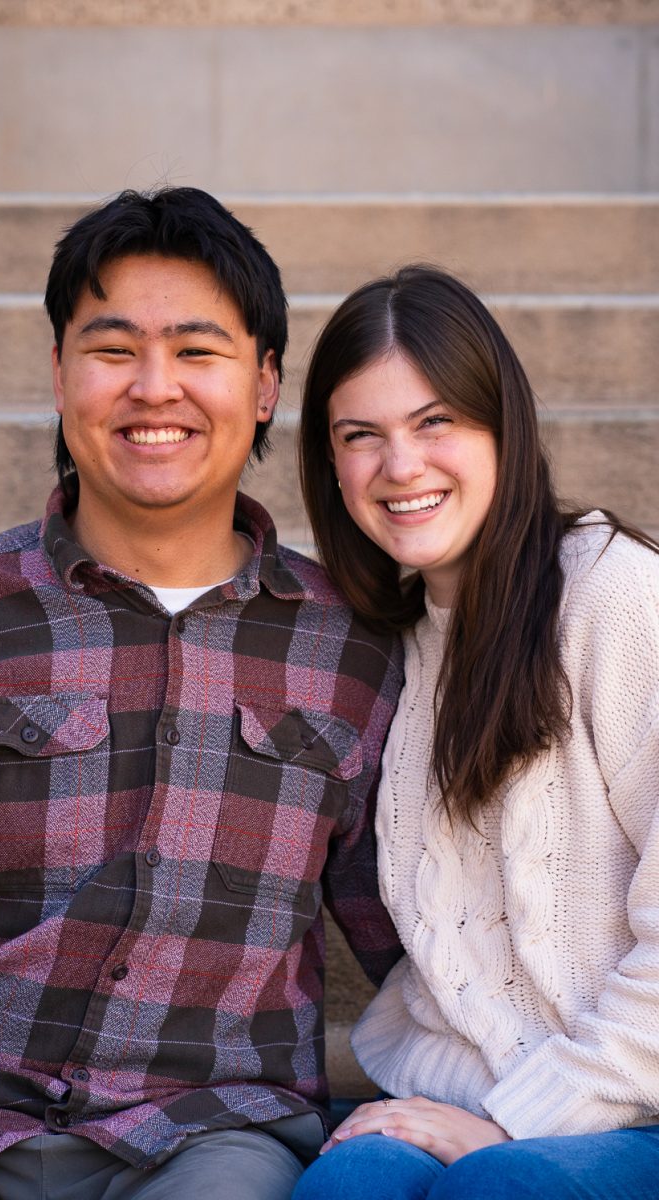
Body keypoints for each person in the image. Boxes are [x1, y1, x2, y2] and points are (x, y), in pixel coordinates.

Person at [0, 188, 404, 1200]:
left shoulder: (352, 653)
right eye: (113, 349)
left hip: (209, 1137)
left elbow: (412, 946)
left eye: (197, 351)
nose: (154, 388)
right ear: (59, 375)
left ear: (266, 383)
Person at [291, 265, 659, 1200]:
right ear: (330, 467)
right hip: (450, 1084)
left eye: (435, 422)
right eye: (360, 436)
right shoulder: (393, 644)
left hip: (630, 1101)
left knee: (500, 1192)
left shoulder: (613, 597)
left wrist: (516, 1120)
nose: (400, 466)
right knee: (345, 1192)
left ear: (505, 425)